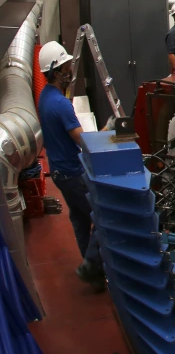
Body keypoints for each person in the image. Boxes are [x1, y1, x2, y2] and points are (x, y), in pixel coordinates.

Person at [37, 41, 103, 290]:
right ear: (55, 72)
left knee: (79, 217)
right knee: (100, 215)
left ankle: (94, 274)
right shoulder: (61, 105)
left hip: (58, 171)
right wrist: (107, 131)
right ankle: (90, 265)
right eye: (65, 67)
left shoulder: (45, 97)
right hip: (72, 173)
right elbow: (82, 140)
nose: (69, 72)